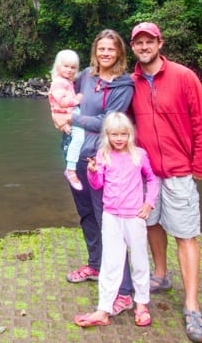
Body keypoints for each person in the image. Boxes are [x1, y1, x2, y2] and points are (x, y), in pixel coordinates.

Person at [129, 22, 202, 343]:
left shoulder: (183, 77)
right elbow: (118, 123)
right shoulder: (132, 83)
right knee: (151, 223)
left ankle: (192, 307)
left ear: (160, 43)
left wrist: (201, 165)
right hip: (147, 172)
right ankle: (161, 276)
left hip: (180, 170)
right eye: (138, 42)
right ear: (133, 47)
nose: (144, 46)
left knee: (185, 233)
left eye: (149, 41)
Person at [52, 28, 136, 316]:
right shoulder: (85, 76)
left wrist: (73, 117)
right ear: (95, 51)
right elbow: (60, 91)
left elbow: (109, 122)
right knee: (87, 214)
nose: (105, 53)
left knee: (110, 222)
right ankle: (96, 265)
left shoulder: (124, 85)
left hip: (103, 160)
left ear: (120, 53)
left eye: (111, 49)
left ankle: (124, 290)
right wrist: (56, 115)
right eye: (101, 49)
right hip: (76, 157)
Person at [74, 111, 158, 328]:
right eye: (114, 134)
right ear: (107, 135)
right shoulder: (103, 155)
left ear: (130, 134)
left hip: (134, 216)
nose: (119, 139)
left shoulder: (139, 154)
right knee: (111, 262)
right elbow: (97, 185)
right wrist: (92, 172)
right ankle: (104, 308)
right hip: (111, 215)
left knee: (139, 260)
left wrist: (148, 203)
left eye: (123, 134)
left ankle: (141, 303)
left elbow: (152, 179)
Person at [48, 49, 84, 190]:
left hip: (68, 113)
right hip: (65, 113)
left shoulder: (66, 81)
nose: (69, 70)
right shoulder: (58, 83)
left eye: (73, 67)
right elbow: (62, 101)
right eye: (66, 66)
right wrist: (77, 99)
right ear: (58, 66)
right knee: (79, 137)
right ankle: (70, 169)